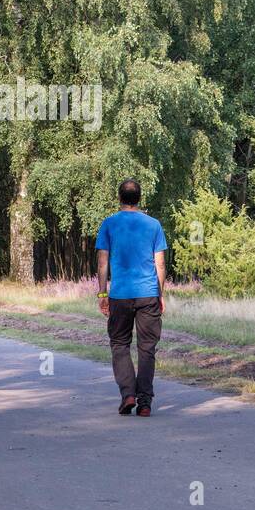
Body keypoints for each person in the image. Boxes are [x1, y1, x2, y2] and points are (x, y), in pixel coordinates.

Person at [95, 178, 168, 417]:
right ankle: (145, 402)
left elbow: (103, 262)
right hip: (148, 293)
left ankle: (128, 394)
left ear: (119, 198)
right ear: (139, 198)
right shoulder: (153, 225)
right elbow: (160, 264)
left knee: (119, 344)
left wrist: (103, 292)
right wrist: (161, 294)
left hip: (120, 295)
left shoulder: (109, 224)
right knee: (147, 348)